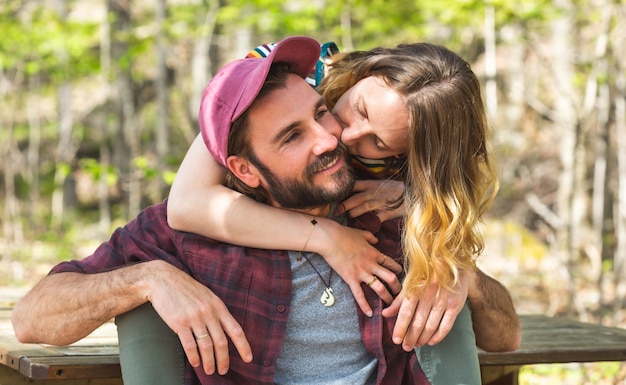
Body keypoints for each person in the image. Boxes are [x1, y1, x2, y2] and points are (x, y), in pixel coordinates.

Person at [12, 36, 433, 385]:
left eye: (321, 112)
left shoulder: (392, 216)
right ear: (244, 170)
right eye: (291, 137)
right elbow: (32, 320)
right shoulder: (191, 238)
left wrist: (457, 275)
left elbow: (500, 331)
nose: (327, 140)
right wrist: (148, 278)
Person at [164, 40, 521, 383]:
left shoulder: (407, 170)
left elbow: (506, 339)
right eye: (360, 109)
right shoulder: (287, 73)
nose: (345, 139)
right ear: (365, 71)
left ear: (403, 155)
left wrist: (422, 214)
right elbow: (186, 204)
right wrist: (326, 236)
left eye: (377, 143)